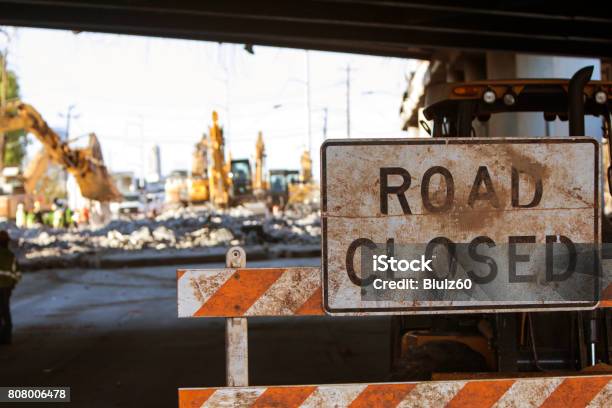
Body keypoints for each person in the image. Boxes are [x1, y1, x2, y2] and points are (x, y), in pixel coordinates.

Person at [0, 230, 20, 345]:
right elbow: (17, 273)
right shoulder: (10, 256)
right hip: (6, 287)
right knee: (5, 311)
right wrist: (12, 284)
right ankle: (6, 336)